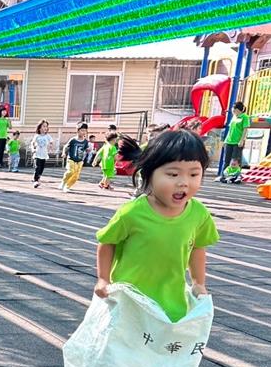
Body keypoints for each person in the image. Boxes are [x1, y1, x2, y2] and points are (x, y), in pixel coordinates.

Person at [94, 130, 219, 322]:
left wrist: (198, 283)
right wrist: (103, 279)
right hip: (130, 300)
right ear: (149, 173)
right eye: (173, 174)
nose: (184, 183)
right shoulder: (132, 212)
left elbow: (197, 248)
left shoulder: (199, 214)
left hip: (171, 304)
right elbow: (107, 242)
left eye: (194, 174)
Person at [217, 101, 249, 181]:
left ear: (238, 109)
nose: (233, 110)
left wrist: (242, 140)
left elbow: (245, 129)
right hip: (229, 141)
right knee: (226, 160)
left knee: (235, 160)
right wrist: (225, 141)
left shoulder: (245, 117)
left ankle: (236, 176)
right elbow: (230, 129)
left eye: (234, 109)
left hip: (237, 142)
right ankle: (224, 175)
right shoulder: (234, 117)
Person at [61, 122, 89, 191]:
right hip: (71, 159)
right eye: (82, 130)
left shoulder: (85, 141)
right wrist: (64, 153)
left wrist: (88, 150)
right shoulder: (73, 140)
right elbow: (66, 146)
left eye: (85, 131)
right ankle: (63, 182)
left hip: (79, 161)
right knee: (71, 171)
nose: (84, 132)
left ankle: (67, 186)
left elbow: (86, 149)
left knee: (76, 176)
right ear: (77, 131)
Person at [30, 121, 53, 188]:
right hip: (37, 154)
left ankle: (38, 177)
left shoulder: (48, 136)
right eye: (44, 126)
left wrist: (50, 146)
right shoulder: (37, 136)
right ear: (39, 128)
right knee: (37, 167)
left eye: (46, 126)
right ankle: (35, 180)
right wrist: (33, 149)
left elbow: (51, 142)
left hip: (44, 154)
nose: (45, 128)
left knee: (42, 168)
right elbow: (32, 143)